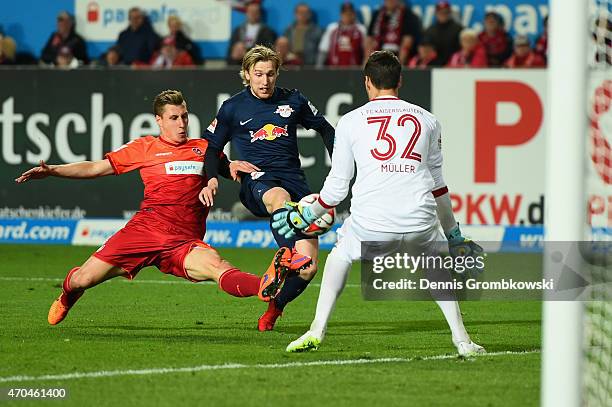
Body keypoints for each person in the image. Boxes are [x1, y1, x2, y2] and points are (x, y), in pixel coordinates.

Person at [15, 90, 309, 326]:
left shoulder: (203, 148)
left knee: (218, 268)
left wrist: (231, 167)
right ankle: (67, 296)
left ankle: (265, 285)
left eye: (184, 116)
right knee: (83, 279)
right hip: (143, 231)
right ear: (159, 120)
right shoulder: (143, 147)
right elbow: (94, 168)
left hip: (183, 241)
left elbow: (220, 167)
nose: (181, 123)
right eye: (173, 118)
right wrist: (53, 170)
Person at [272, 50, 486, 357]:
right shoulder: (428, 120)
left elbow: (335, 191)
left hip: (372, 224)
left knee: (340, 255)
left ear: (367, 82)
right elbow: (438, 186)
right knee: (435, 264)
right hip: (419, 220)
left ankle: (317, 329)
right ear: (400, 80)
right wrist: (453, 235)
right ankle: (462, 340)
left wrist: (306, 214)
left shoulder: (349, 121)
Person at [201, 45, 335, 331]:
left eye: (270, 74)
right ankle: (286, 254)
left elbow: (326, 129)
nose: (265, 81)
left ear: (277, 74)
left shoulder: (293, 100)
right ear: (247, 74)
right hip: (258, 181)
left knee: (309, 268)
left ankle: (275, 308)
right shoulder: (233, 107)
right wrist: (214, 176)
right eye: (258, 74)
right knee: (279, 198)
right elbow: (210, 148)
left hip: (295, 182)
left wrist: (340, 168)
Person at [365, 0, 423, 65]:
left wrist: (399, 66)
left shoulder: (409, 16)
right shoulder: (377, 14)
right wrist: (367, 64)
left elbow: (407, 43)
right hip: (378, 59)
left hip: (397, 59)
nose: (390, 1)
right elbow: (369, 40)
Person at [317, 2, 366, 67]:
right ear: (341, 14)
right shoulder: (332, 28)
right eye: (345, 13)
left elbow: (366, 51)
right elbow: (323, 50)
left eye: (350, 13)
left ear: (354, 14)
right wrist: (318, 68)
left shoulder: (361, 29)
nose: (348, 16)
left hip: (354, 71)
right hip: (334, 71)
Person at [423, 1, 462, 66]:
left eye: (445, 12)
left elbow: (460, 52)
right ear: (436, 13)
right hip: (433, 67)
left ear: (449, 13)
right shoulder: (430, 30)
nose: (443, 14)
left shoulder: (458, 29)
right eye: (440, 12)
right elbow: (425, 50)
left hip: (453, 66)